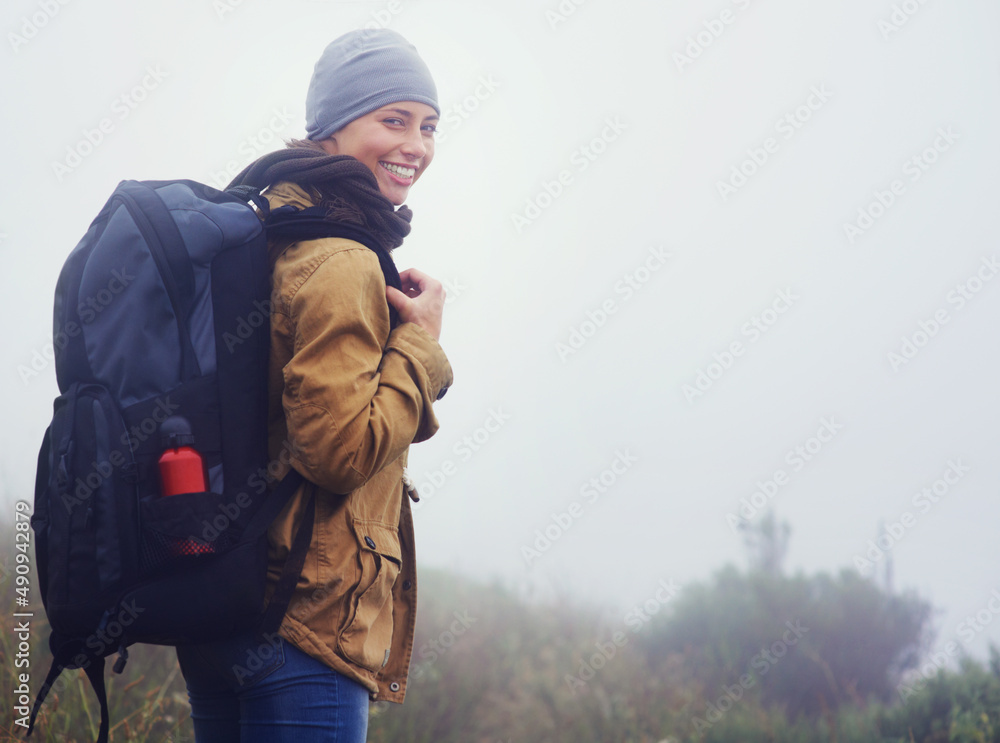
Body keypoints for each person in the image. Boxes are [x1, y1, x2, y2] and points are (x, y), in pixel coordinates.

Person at [175, 28, 453, 742]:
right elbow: (338, 450)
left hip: (222, 600)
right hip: (300, 621)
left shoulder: (263, 227)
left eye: (427, 125)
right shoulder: (340, 258)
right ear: (330, 127)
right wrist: (420, 345)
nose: (416, 145)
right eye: (392, 120)